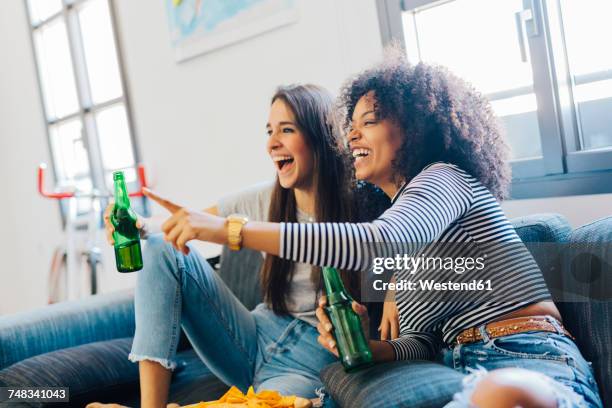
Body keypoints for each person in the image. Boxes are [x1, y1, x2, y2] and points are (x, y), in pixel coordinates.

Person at [141, 53, 603, 408]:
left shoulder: (444, 179)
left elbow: (376, 241)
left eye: (370, 122)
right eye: (351, 127)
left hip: (527, 353)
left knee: (501, 394)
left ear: (415, 127)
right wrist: (365, 346)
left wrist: (230, 230)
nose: (353, 137)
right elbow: (421, 342)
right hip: (464, 368)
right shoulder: (405, 229)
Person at [91, 84, 396, 408]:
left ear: (321, 137)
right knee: (159, 247)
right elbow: (182, 224)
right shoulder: (265, 198)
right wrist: (134, 224)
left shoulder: (364, 203)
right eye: (269, 131)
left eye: (287, 130)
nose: (272, 143)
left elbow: (408, 238)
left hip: (311, 358)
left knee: (276, 404)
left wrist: (395, 286)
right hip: (251, 333)